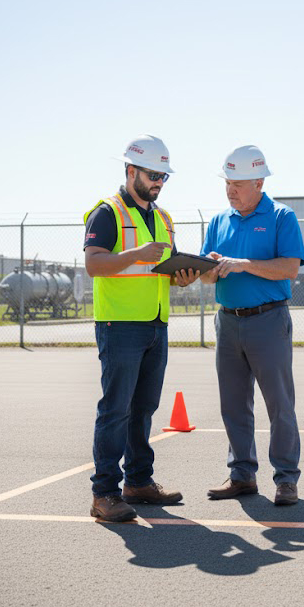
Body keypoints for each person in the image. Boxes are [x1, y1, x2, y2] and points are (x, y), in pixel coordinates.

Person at [83, 134, 201, 522]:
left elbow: (160, 273)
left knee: (144, 409)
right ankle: (104, 494)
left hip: (155, 324)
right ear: (131, 170)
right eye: (153, 175)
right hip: (120, 325)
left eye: (164, 177)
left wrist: (180, 278)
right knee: (115, 409)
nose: (158, 183)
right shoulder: (108, 212)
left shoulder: (163, 218)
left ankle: (138, 482)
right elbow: (95, 264)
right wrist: (136, 254)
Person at [200, 145, 304, 506]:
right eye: (227, 183)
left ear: (259, 181)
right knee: (233, 404)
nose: (230, 191)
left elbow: (290, 267)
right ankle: (241, 475)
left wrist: (243, 264)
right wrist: (205, 271)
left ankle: (286, 479)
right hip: (227, 323)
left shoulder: (280, 216)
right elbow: (206, 276)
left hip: (268, 320)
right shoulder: (218, 221)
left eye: (238, 184)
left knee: (279, 404)